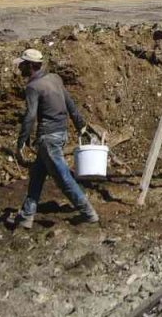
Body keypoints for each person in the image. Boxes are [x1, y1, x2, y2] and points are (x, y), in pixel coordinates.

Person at [12, 49, 98, 229]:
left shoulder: (33, 87)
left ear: (30, 65)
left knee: (63, 178)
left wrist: (21, 143)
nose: (19, 68)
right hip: (60, 134)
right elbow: (69, 103)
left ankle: (88, 213)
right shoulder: (54, 78)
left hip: (48, 138)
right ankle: (26, 217)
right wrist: (80, 125)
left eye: (22, 64)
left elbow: (29, 116)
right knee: (37, 175)